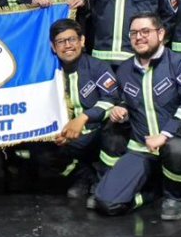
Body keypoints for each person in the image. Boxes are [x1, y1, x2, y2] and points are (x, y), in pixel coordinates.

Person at [92, 13, 181, 220]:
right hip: (141, 150)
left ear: (161, 33)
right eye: (134, 33)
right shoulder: (125, 69)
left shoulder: (179, 63)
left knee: (177, 150)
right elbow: (123, 101)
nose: (139, 37)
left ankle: (175, 197)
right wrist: (120, 111)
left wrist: (165, 134)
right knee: (106, 203)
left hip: (175, 143)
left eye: (145, 31)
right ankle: (152, 194)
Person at [44, 18, 125, 206]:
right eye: (61, 42)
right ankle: (82, 177)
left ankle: (102, 182)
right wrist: (53, 132)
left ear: (82, 41)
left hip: (96, 134)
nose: (67, 46)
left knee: (115, 134)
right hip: (66, 138)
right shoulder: (47, 73)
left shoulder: (98, 67)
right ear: (53, 47)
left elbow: (112, 99)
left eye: (72, 39)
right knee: (37, 149)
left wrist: (83, 118)